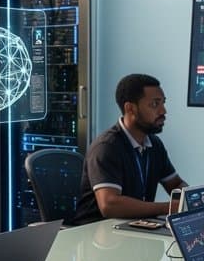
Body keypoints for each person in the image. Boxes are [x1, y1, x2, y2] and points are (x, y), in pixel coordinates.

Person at [70, 74, 187, 225]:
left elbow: (175, 185)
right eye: (154, 104)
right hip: (98, 233)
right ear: (130, 108)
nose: (163, 111)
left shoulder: (153, 143)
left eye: (163, 103)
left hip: (135, 226)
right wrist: (168, 208)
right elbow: (110, 205)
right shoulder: (107, 147)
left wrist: (194, 200)